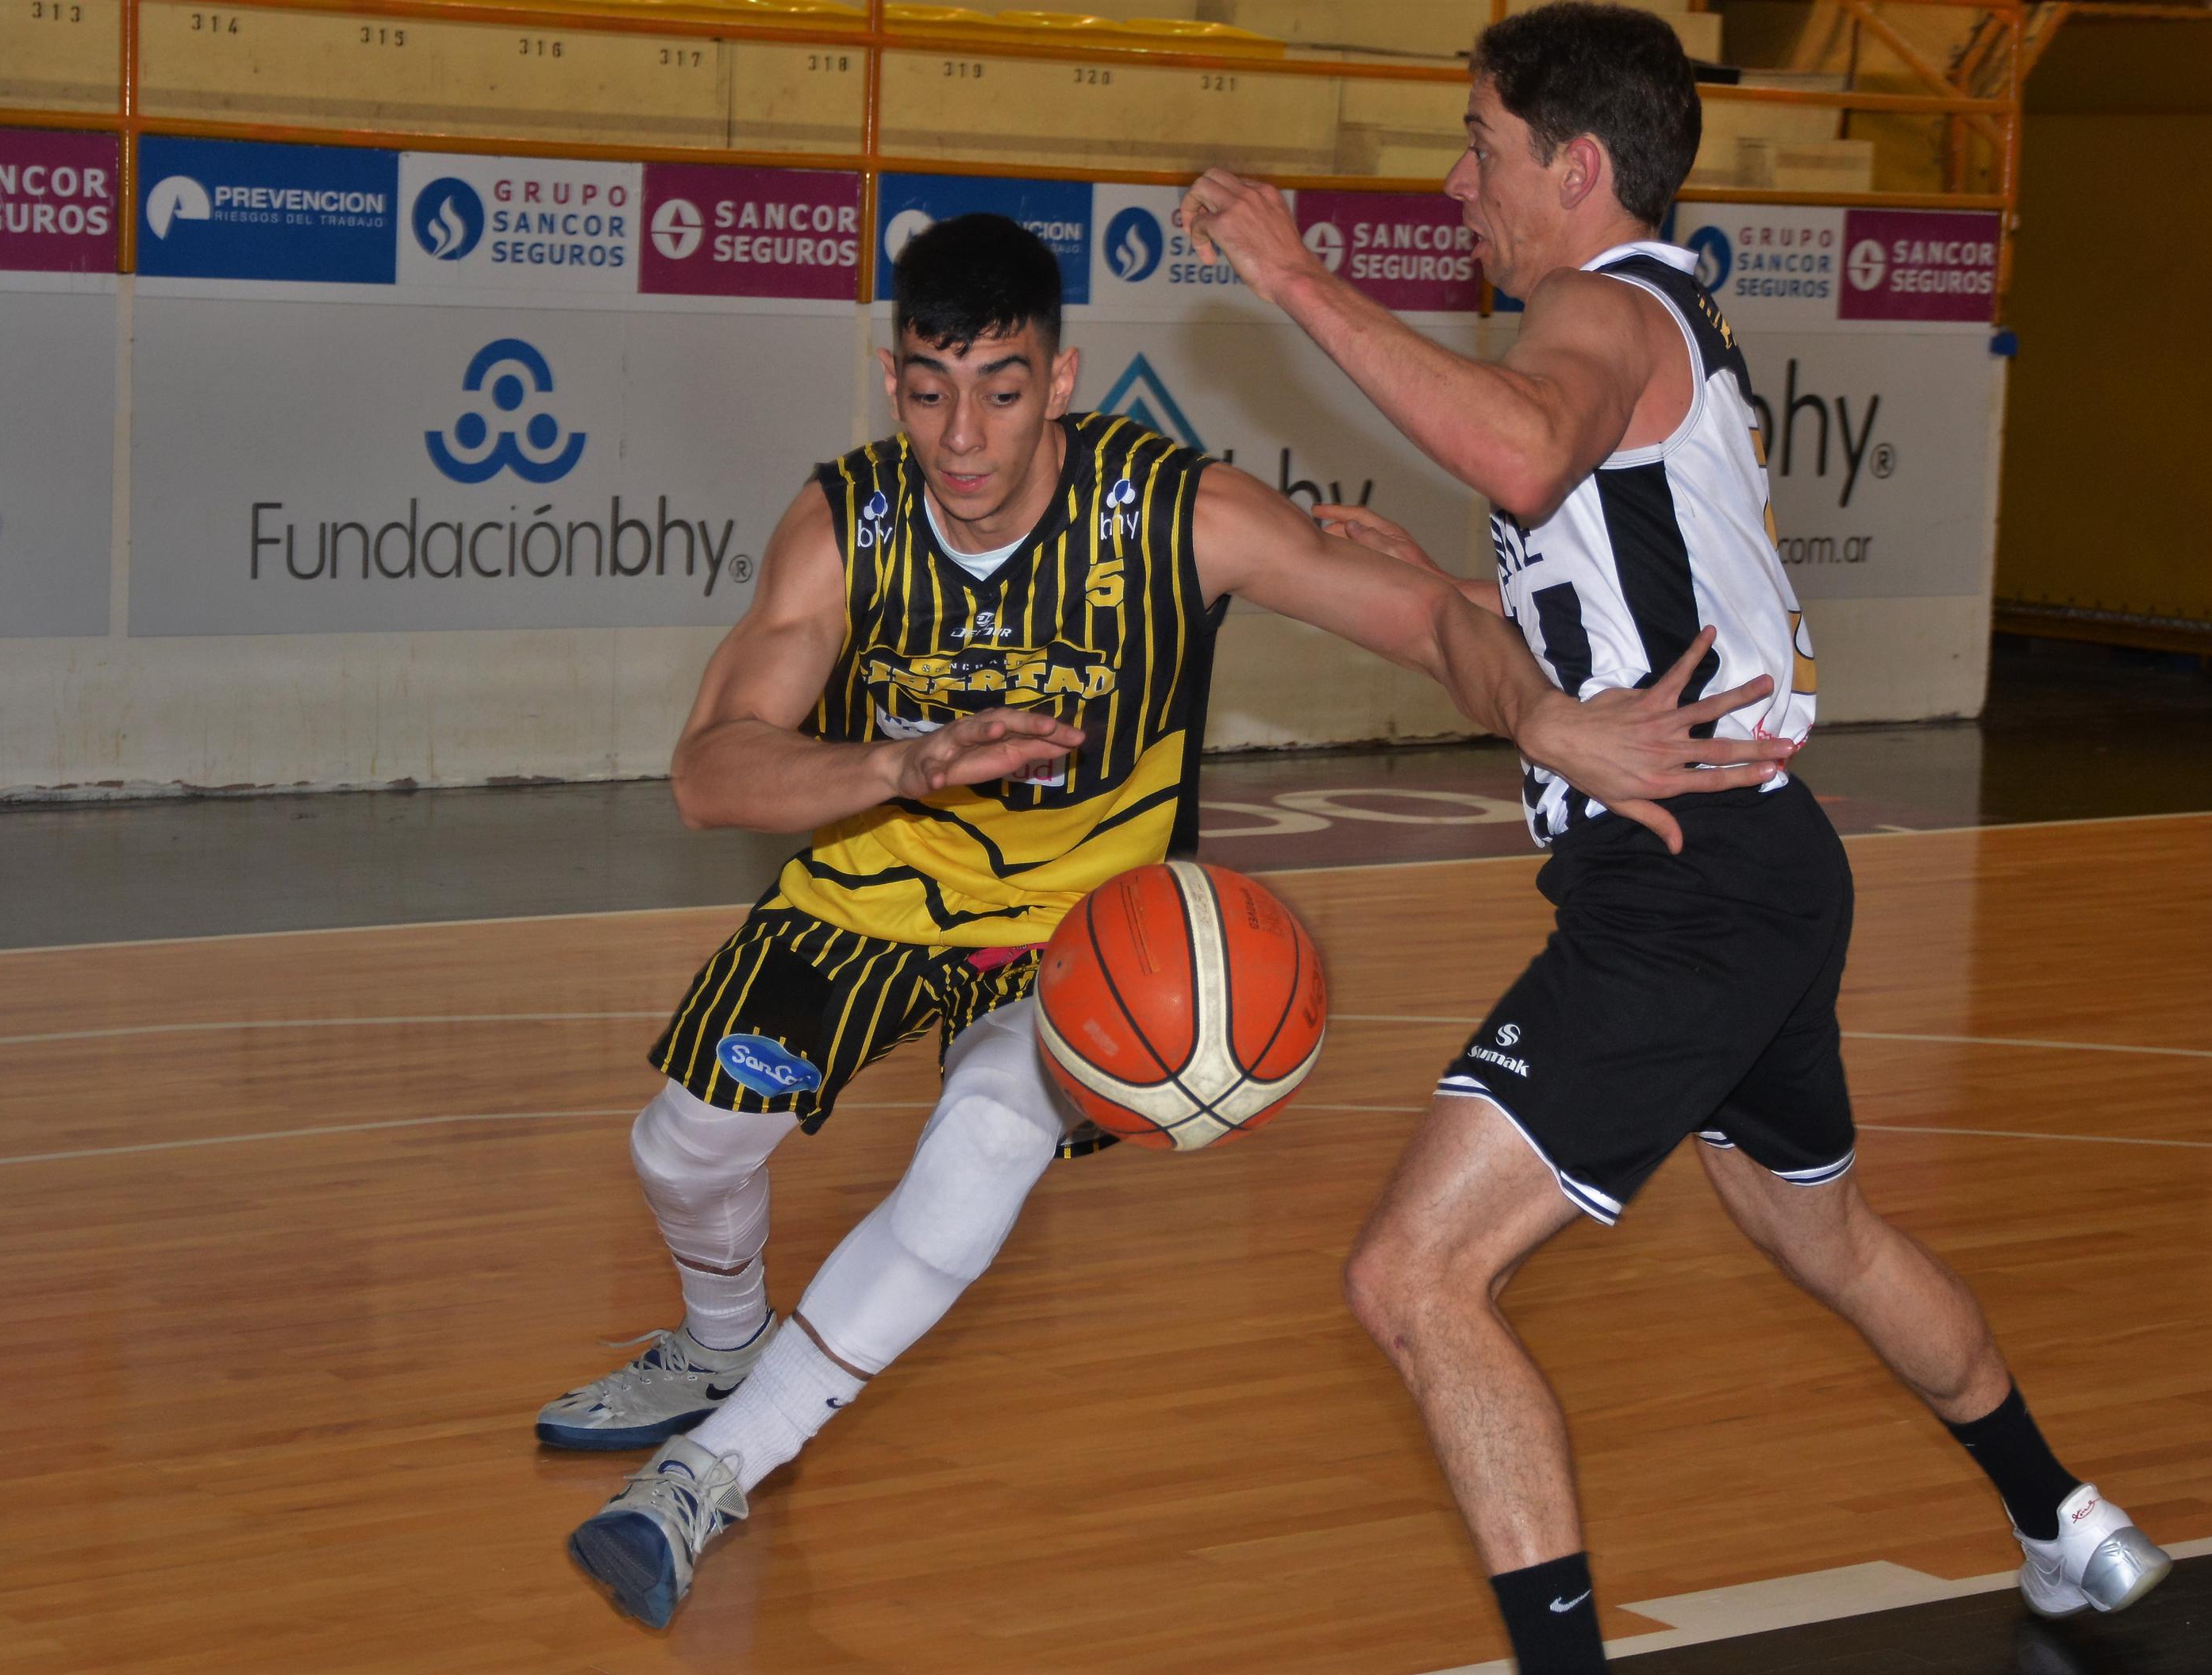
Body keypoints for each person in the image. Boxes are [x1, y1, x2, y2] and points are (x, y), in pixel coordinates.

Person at [547, 210, 1794, 1628]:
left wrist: (1541, 718)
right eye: (929, 391)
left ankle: (710, 1468)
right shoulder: (848, 522)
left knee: (985, 1143)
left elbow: (1425, 619)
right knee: (684, 1145)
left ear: (1061, 380)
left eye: (1001, 390)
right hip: (871, 888)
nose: (962, 435)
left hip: (1077, 932)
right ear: (891, 380)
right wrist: (903, 764)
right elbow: (709, 771)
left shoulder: (1172, 512)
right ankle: (721, 1345)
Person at [1179, 8, 2170, 1670]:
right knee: (1814, 1228)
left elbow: (1520, 446)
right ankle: (2069, 1520)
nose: (1455, 184)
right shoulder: (1657, 320)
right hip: (1764, 865)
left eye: (1481, 147)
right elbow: (1599, 580)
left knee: (1413, 1278)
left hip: (1684, 883)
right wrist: (1447, 578)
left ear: (1576, 167)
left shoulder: (1595, 308)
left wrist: (1288, 272)